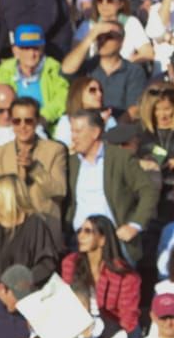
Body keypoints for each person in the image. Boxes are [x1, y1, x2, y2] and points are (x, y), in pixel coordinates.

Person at [65, 109, 158, 261]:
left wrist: (135, 224)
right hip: (80, 242)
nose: (73, 137)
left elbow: (148, 190)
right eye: (72, 131)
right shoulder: (71, 163)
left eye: (78, 131)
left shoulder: (120, 158)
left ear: (95, 132)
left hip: (116, 243)